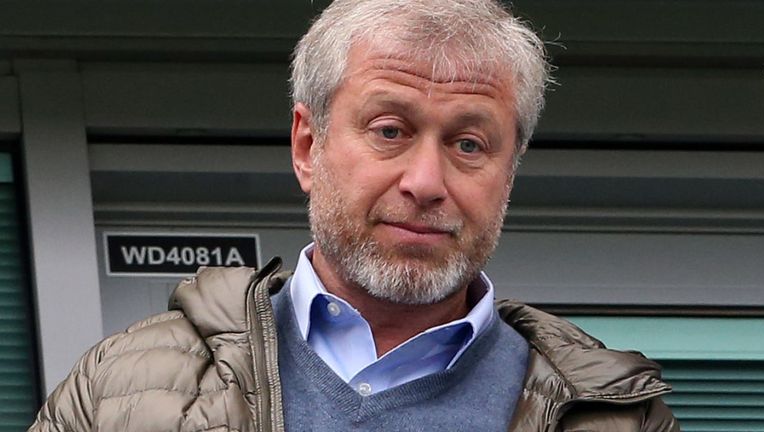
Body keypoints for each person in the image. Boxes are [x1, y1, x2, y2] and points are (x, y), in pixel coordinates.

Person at [29, 0, 679, 431]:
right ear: (308, 147)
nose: (427, 183)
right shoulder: (119, 392)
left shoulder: (615, 417)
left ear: (508, 173)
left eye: (469, 144)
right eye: (391, 130)